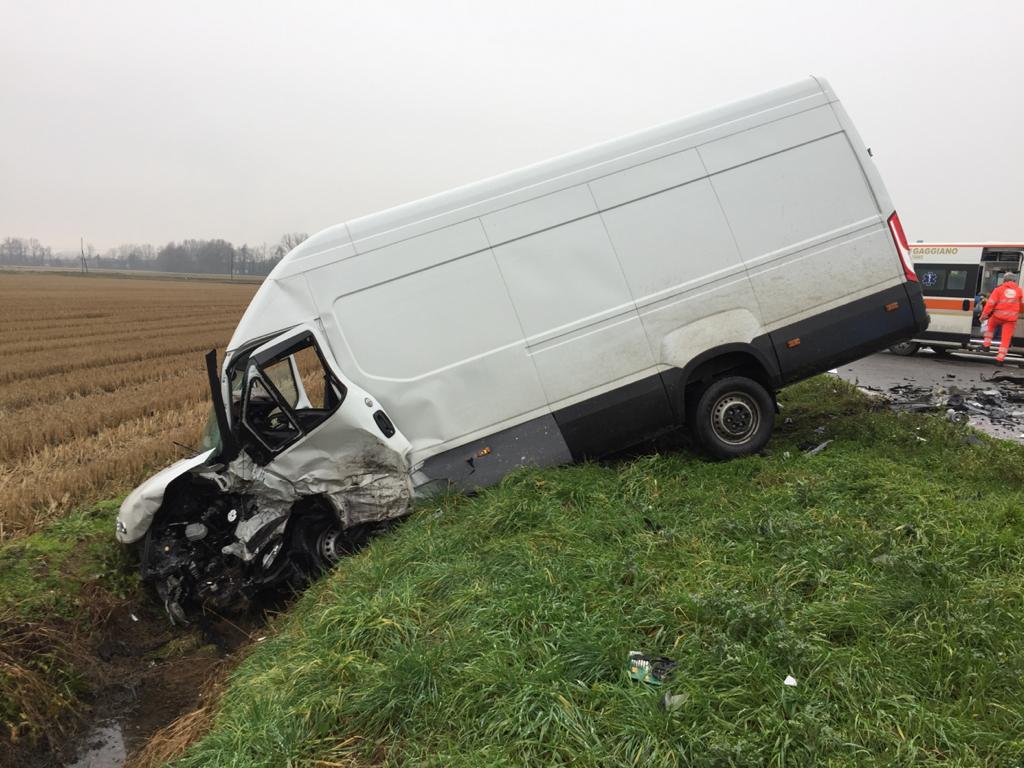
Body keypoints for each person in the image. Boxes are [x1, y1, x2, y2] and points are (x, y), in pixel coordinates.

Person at [980, 273, 1023, 362]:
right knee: (1006, 338)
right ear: (1014, 281)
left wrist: (983, 316)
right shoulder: (1019, 291)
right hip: (1011, 319)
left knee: (990, 325)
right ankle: (1000, 359)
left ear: (1004, 280)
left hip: (998, 317)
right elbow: (1020, 303)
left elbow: (990, 304)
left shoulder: (998, 289)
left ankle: (986, 345)